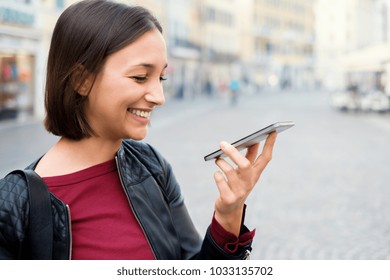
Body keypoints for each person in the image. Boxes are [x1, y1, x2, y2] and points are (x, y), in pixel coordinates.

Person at [0, 0, 277, 260]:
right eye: (140, 77)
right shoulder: (14, 204)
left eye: (161, 77)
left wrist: (228, 216)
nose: (159, 96)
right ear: (81, 80)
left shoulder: (151, 166)